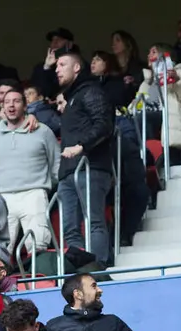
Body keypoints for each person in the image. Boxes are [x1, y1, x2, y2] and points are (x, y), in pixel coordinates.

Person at [55, 51, 114, 266]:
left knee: (94, 222)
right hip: (69, 171)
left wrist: (82, 146)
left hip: (91, 166)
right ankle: (80, 272)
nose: (56, 69)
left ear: (77, 67)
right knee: (70, 228)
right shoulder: (71, 98)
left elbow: (104, 124)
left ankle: (98, 269)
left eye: (62, 64)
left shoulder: (90, 91)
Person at [0, 86, 59, 255]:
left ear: (25, 106)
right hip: (3, 198)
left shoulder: (42, 131)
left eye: (17, 101)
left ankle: (39, 281)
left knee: (38, 244)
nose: (11, 106)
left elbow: (56, 162)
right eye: (7, 102)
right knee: (1, 251)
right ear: (2, 107)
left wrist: (49, 187)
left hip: (34, 193)